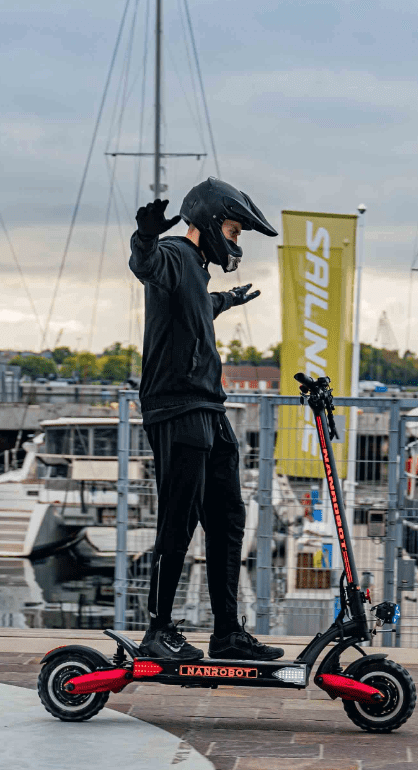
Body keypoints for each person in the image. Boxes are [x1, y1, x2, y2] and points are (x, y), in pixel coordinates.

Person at [128, 177, 283, 662]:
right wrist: (145, 236)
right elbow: (146, 265)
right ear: (211, 223)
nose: (235, 242)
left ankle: (227, 632)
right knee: (178, 520)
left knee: (228, 519)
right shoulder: (175, 254)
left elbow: (198, 308)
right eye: (234, 231)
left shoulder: (197, 271)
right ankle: (157, 631)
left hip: (209, 409)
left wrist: (228, 300)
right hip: (177, 408)